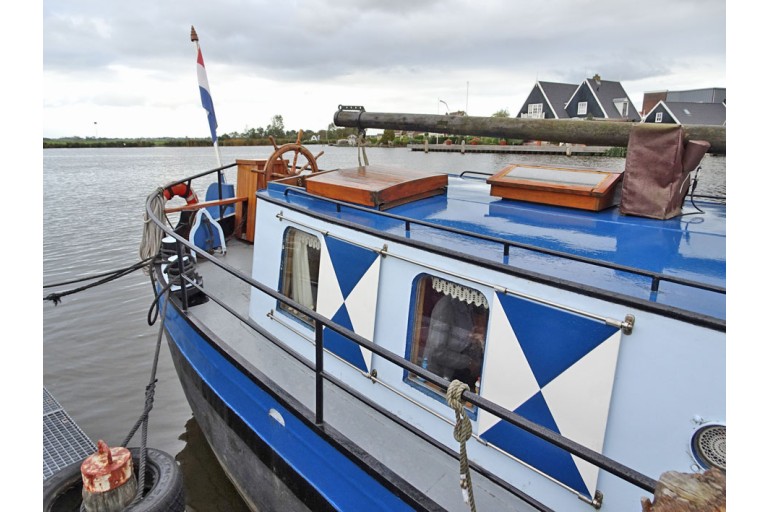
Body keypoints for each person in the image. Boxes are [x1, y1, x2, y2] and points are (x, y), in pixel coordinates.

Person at [423, 294, 485, 388]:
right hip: (444, 375)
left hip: (461, 369)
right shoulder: (447, 306)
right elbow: (437, 351)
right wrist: (469, 363)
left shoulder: (467, 304)